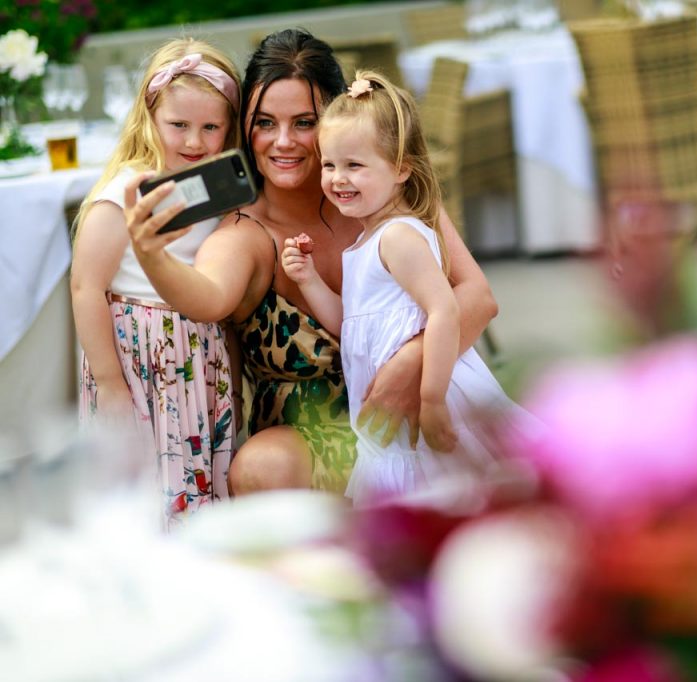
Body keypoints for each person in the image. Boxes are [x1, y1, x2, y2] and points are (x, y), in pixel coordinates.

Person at [124, 29, 497, 494]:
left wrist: (414, 362)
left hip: (422, 410)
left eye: (305, 122)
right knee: (260, 466)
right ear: (246, 128)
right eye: (264, 123)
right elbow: (208, 297)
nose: (283, 142)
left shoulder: (389, 195)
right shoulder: (247, 233)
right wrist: (151, 255)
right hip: (312, 441)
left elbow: (478, 296)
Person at [280, 71, 519, 506]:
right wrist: (308, 279)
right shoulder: (364, 244)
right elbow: (347, 326)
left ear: (401, 168)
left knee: (456, 496)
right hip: (390, 424)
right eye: (330, 165)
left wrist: (429, 400)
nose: (338, 178)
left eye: (355, 165)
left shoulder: (398, 236)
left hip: (434, 397)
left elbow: (445, 310)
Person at [70, 38, 241, 527]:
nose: (194, 141)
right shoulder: (126, 191)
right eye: (179, 126)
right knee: (144, 483)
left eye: (211, 127)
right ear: (150, 117)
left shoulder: (211, 185)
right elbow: (86, 286)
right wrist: (109, 383)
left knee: (195, 475)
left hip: (193, 358)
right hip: (139, 359)